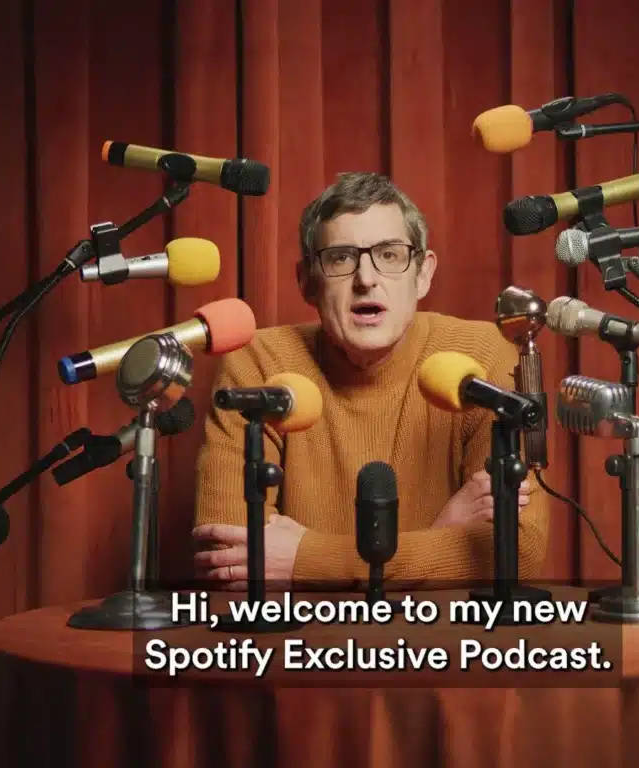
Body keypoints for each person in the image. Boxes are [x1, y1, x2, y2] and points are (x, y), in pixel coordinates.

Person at [192, 172, 549, 590]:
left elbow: (518, 553)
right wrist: (440, 535)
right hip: (303, 646)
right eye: (341, 258)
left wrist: (306, 558)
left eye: (390, 254)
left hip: (439, 644)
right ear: (307, 280)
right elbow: (227, 558)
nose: (366, 278)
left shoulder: (481, 357)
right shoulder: (258, 363)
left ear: (423, 274)